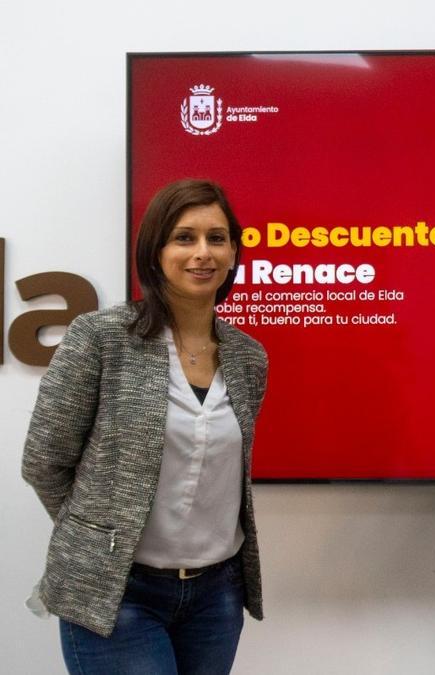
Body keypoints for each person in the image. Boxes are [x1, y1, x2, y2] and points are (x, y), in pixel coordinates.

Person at [22, 179, 268, 674]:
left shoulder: (248, 357)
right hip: (118, 593)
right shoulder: (101, 337)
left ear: (234, 252)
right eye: (184, 237)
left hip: (216, 596)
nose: (203, 253)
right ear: (154, 252)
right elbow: (44, 461)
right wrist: (98, 537)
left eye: (217, 238)